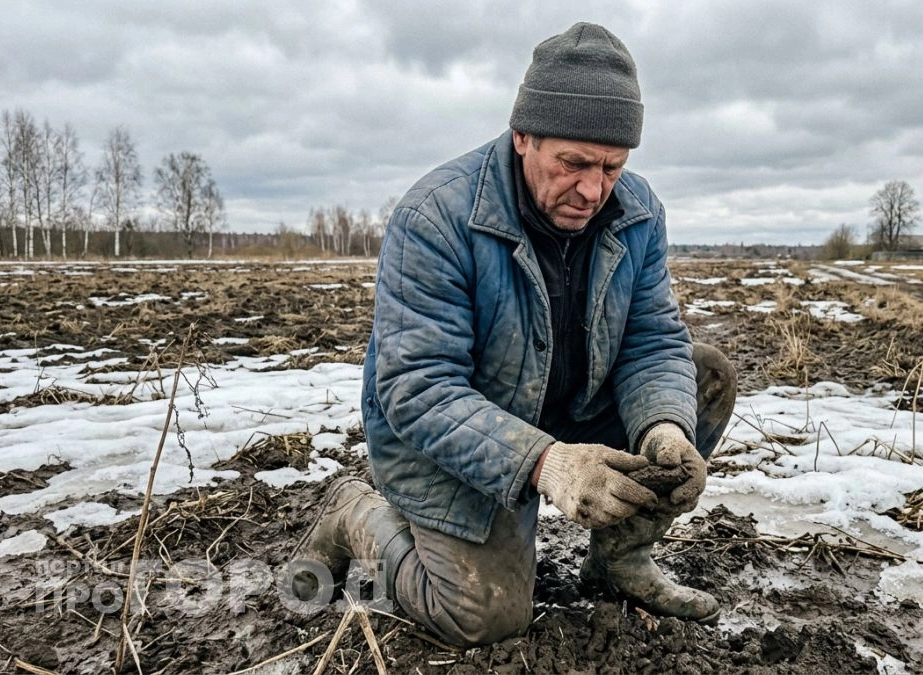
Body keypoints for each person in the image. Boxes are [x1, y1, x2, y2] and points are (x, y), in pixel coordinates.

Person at [287, 21, 737, 648]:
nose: (592, 189)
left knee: (704, 376)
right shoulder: (436, 217)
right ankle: (354, 515)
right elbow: (416, 387)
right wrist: (545, 463)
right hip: (456, 439)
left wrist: (663, 427)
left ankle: (618, 562)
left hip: (566, 410)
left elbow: (653, 340)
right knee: (484, 619)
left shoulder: (638, 211)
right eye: (573, 163)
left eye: (611, 166)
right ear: (523, 136)